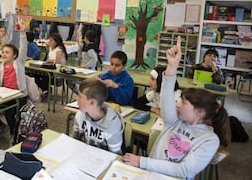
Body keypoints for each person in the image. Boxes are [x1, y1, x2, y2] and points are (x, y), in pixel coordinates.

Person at [123, 37, 231, 179]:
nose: (177, 104)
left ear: (199, 112)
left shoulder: (209, 140)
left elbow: (184, 171)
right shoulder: (175, 121)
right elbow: (166, 96)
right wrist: (172, 67)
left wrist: (142, 161)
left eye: (183, 102)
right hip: (149, 175)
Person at [0, 15, 28, 140]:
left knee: (9, 115)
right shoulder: (0, 66)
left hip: (19, 96)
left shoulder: (19, 63)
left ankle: (15, 135)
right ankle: (1, 126)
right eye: (3, 52)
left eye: (7, 52)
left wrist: (23, 32)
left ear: (14, 55)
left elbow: (23, 47)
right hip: (6, 96)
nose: (4, 54)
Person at [73, 78, 124, 154]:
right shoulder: (80, 115)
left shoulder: (112, 127)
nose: (76, 98)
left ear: (92, 103)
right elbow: (74, 141)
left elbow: (116, 156)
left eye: (80, 96)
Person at [36, 33, 68, 100]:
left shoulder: (59, 50)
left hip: (57, 72)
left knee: (43, 76)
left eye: (51, 40)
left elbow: (58, 62)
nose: (49, 42)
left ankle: (47, 91)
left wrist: (50, 60)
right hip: (49, 69)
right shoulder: (50, 49)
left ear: (56, 42)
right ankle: (46, 90)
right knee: (35, 75)